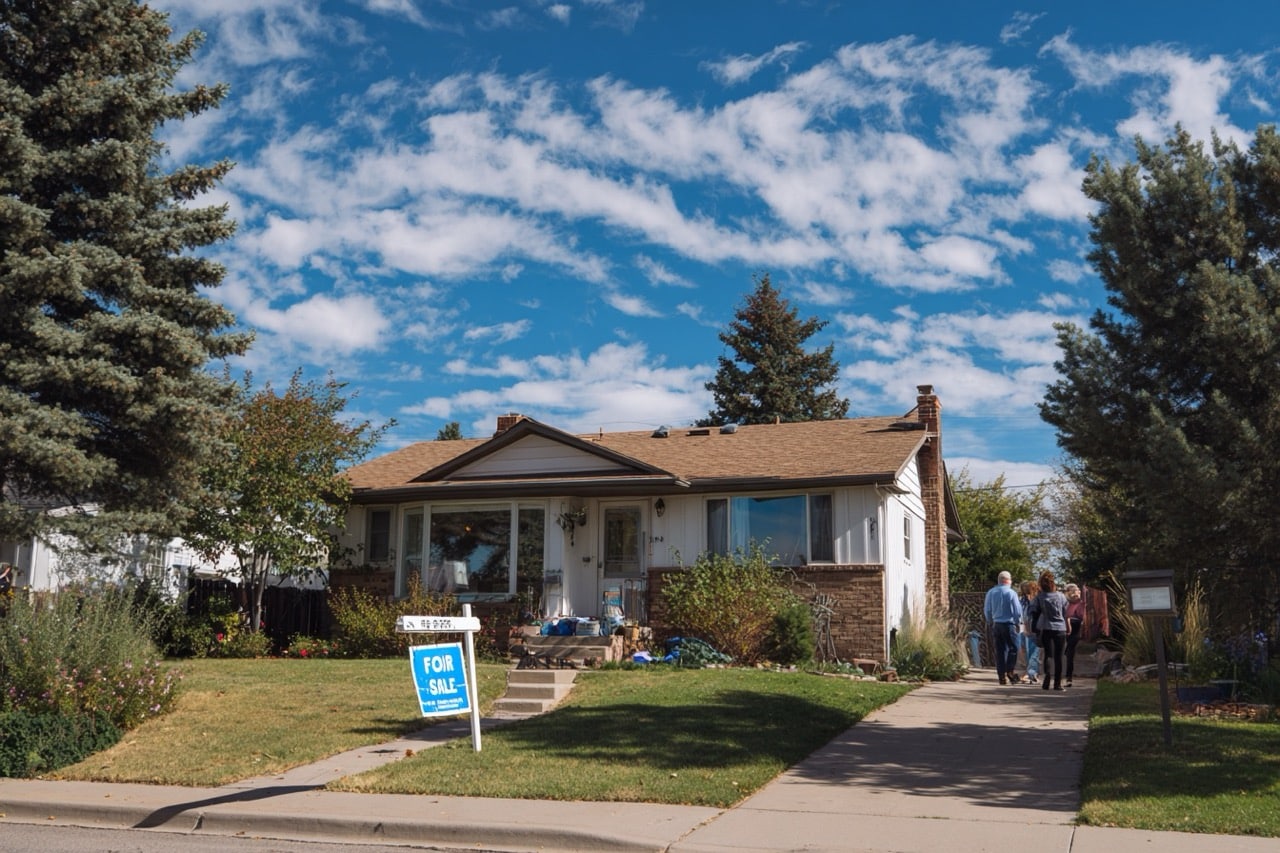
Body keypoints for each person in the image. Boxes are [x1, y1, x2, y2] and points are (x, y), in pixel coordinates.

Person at [1028, 571, 1069, 691]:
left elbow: (1033, 612)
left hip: (1046, 628)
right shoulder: (1061, 596)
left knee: (1048, 655)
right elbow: (1066, 611)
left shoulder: (1040, 597)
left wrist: (1034, 627)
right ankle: (1057, 683)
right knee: (1059, 656)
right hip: (1060, 628)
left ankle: (1046, 679)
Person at [983, 570, 1022, 686]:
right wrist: (1018, 623)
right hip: (1009, 624)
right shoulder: (1011, 593)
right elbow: (1017, 611)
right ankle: (1010, 671)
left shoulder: (991, 593)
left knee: (1000, 651)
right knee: (1014, 648)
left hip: (997, 624)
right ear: (1008, 580)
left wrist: (990, 621)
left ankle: (1001, 677)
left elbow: (987, 610)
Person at [1016, 580, 1041, 685]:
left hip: (1025, 628)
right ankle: (1031, 673)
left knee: (1031, 652)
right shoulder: (1034, 601)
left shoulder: (1023, 601)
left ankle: (1030, 673)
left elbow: (1021, 615)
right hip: (1031, 629)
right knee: (1034, 652)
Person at [1063, 583, 1086, 688]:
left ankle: (1069, 677)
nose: (1078, 592)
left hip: (1075, 627)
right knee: (1068, 653)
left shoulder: (1082, 603)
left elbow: (1082, 617)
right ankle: (1067, 677)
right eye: (1076, 591)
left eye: (1078, 590)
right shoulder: (1066, 603)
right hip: (1066, 627)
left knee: (1070, 652)